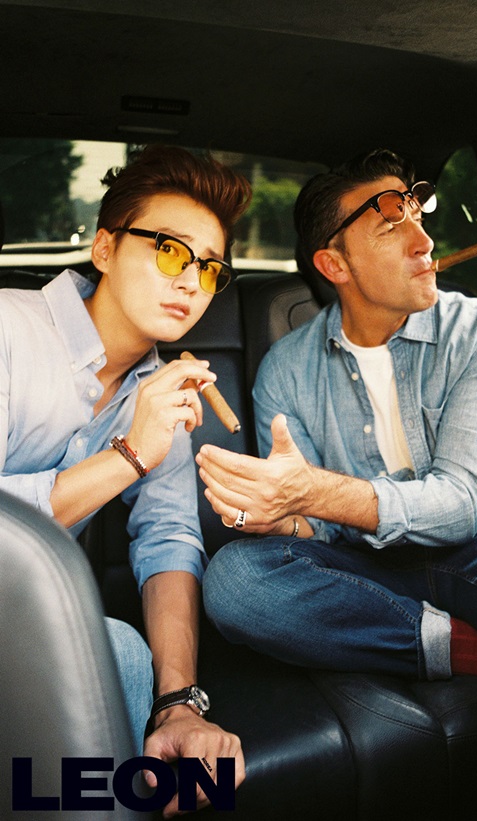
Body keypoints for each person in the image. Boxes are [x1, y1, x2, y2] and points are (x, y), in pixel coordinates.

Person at [198, 148, 477, 682]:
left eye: (418, 219)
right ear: (335, 265)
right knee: (235, 579)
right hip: (369, 565)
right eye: (391, 227)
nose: (424, 243)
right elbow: (321, 531)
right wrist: (286, 519)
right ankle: (449, 646)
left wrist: (312, 492)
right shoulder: (285, 370)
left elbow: (463, 506)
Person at [0, 144, 249, 813]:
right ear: (105, 248)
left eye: (209, 267)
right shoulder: (7, 329)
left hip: (21, 626)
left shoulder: (159, 388)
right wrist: (129, 455)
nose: (191, 281)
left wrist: (179, 703)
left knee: (125, 654)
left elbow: (167, 538)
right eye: (169, 250)